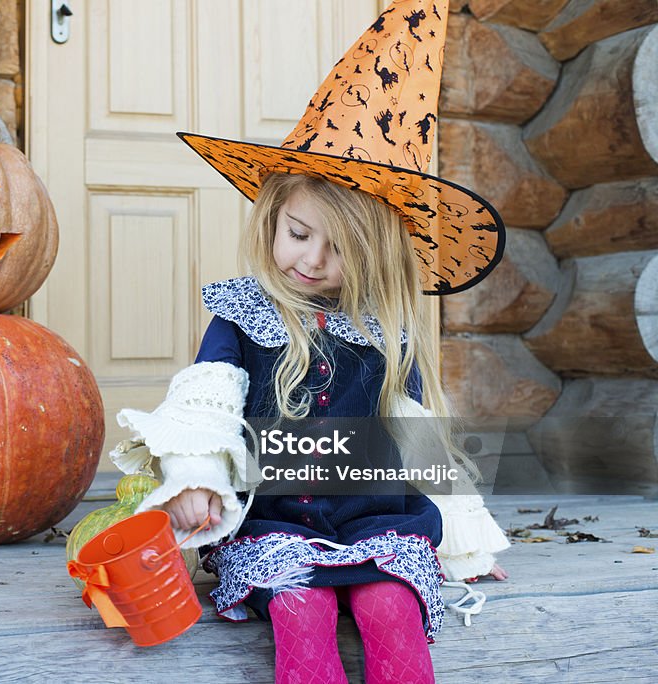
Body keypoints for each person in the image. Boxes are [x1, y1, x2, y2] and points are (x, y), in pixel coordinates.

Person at [109, 1, 510, 682]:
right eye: (299, 234)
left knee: (390, 607)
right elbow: (204, 413)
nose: (313, 260)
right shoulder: (242, 314)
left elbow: (416, 441)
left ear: (379, 256)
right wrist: (196, 482)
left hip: (378, 518)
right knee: (299, 608)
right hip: (279, 526)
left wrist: (465, 542)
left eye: (341, 249)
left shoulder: (387, 329)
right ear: (273, 216)